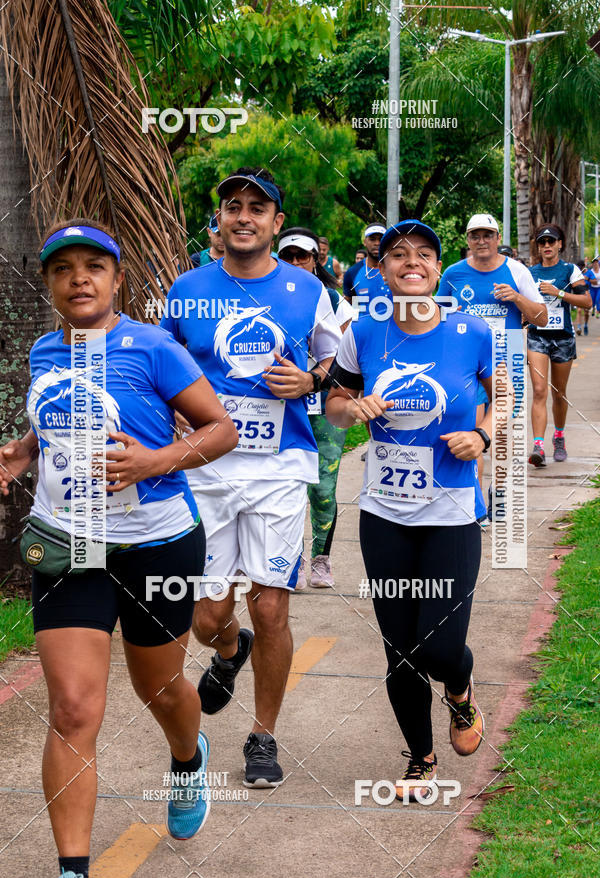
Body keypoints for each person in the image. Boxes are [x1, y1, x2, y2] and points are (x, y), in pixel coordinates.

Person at [0, 220, 238, 878]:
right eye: (64, 268)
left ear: (116, 279)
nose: (79, 277)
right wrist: (25, 449)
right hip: (69, 546)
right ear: (48, 283)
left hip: (156, 543)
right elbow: (62, 417)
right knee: (74, 709)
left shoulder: (152, 346)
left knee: (160, 690)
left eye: (93, 266)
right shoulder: (47, 351)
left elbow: (220, 429)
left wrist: (158, 458)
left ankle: (188, 760)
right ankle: (72, 877)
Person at [161, 168, 342, 787]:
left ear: (275, 222)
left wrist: (312, 381)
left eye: (257, 208)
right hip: (206, 470)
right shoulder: (186, 290)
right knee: (208, 619)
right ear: (220, 220)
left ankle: (263, 737)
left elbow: (336, 359)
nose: (244, 217)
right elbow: (159, 368)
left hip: (279, 469)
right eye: (233, 207)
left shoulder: (306, 289)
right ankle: (227, 651)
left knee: (271, 609)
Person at [326, 220, 496, 800]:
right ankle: (421, 761)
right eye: (399, 254)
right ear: (382, 268)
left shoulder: (471, 332)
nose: (412, 262)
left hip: (451, 511)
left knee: (440, 645)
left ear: (437, 267)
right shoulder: (364, 333)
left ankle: (461, 689)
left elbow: (504, 395)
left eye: (425, 253)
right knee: (399, 648)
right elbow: (334, 402)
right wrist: (352, 410)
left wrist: (485, 438)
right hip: (384, 513)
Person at [437, 213, 546, 505]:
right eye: (475, 235)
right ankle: (474, 502)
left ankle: (498, 493)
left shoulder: (517, 271)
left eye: (487, 235)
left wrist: (517, 298)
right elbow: (433, 319)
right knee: (472, 430)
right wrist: (449, 313)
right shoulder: (453, 273)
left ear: (498, 239)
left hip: (505, 359)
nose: (481, 241)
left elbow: (543, 317)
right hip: (465, 363)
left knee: (499, 435)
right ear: (468, 239)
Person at [277, 227, 354, 589]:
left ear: (315, 260)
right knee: (286, 486)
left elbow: (345, 353)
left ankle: (321, 559)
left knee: (323, 488)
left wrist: (316, 378)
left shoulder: (335, 300)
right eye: (288, 256)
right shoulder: (264, 295)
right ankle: (290, 560)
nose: (295, 263)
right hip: (279, 406)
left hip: (324, 404)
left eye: (302, 256)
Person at [527, 224, 591, 465]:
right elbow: (522, 302)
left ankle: (559, 436)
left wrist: (559, 293)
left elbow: (586, 302)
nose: (546, 246)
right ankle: (538, 446)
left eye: (551, 242)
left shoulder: (570, 270)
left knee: (559, 393)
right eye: (542, 242)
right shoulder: (529, 273)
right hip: (537, 336)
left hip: (563, 338)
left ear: (560, 244)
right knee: (540, 390)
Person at [343, 223, 388, 313]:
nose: (377, 243)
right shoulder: (353, 273)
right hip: (363, 326)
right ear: (364, 242)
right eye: (372, 239)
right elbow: (346, 309)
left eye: (381, 239)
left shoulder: (396, 269)